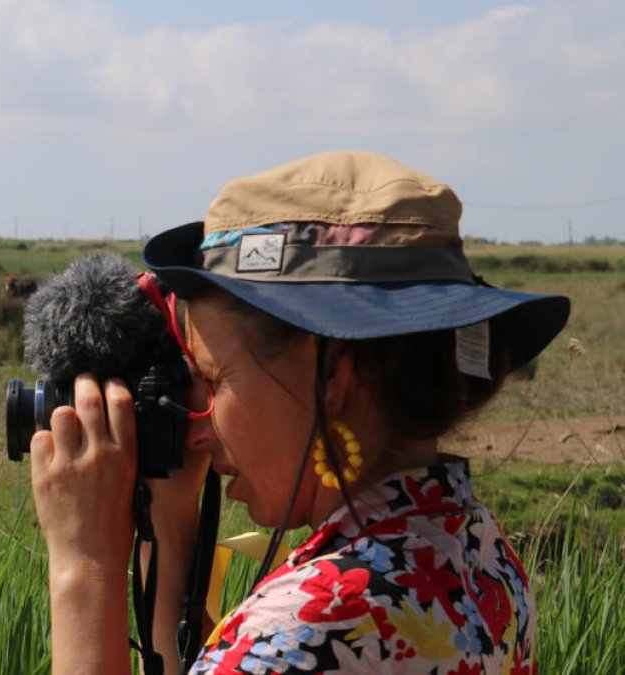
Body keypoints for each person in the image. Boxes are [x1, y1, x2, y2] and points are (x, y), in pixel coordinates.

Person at [28, 151, 569, 674]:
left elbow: (275, 650)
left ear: (329, 374)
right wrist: (171, 525)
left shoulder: (312, 627)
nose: (199, 432)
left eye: (214, 379)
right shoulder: (473, 551)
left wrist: (85, 565)